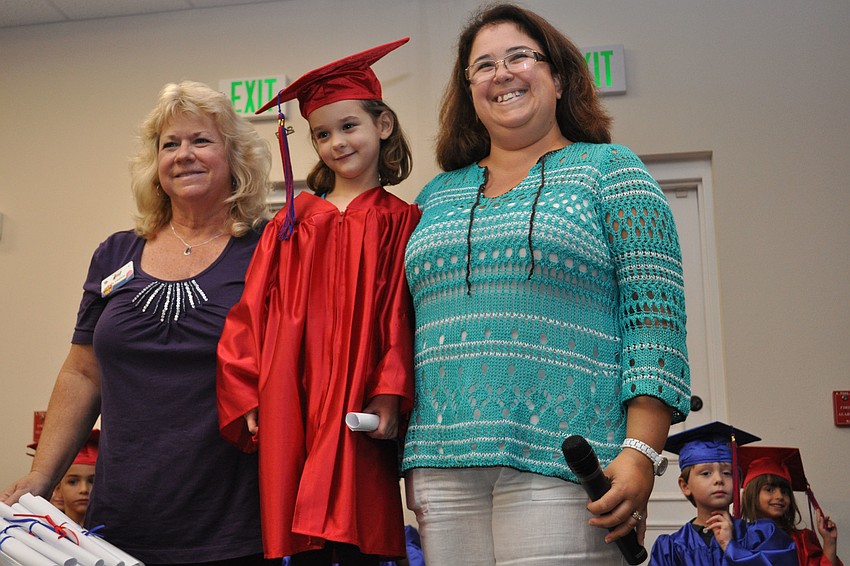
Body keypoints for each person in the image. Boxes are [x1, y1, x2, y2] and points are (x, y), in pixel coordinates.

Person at [400, 3, 691, 564]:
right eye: (482, 66)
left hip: (568, 461)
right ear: (469, 91)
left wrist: (639, 453)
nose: (501, 73)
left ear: (558, 78)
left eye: (519, 56)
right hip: (440, 467)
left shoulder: (612, 171)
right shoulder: (434, 196)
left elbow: (655, 326)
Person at [1, 80, 274, 565]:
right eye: (170, 144)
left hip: (232, 526)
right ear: (155, 164)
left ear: (235, 157)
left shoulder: (269, 251)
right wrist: (41, 475)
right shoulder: (115, 253)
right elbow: (83, 371)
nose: (184, 155)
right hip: (118, 525)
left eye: (201, 141)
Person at [217, 38, 420, 564]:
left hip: (359, 390)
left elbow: (402, 313)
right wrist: (247, 389)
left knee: (359, 524)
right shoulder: (291, 223)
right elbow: (250, 312)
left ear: (383, 125)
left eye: (349, 126)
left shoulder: (403, 221)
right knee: (299, 533)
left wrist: (390, 390)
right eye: (322, 134)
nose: (336, 143)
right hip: (292, 388)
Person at [649, 422, 797, 565]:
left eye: (727, 473)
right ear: (685, 486)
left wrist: (731, 547)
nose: (719, 479)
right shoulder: (670, 548)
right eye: (706, 473)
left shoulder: (764, 534)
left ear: (738, 482)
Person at [739, 446, 843, 566]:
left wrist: (829, 542)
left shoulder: (802, 540)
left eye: (784, 491)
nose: (779, 496)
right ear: (752, 495)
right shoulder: (740, 538)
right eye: (769, 489)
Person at [53, 429, 99, 526]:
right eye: (73, 482)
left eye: (93, 481)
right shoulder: (44, 533)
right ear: (58, 489)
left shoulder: (117, 536)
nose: (84, 489)